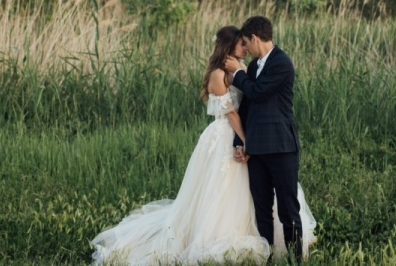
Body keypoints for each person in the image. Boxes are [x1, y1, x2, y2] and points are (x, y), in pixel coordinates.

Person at [90, 25, 315, 265]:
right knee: (227, 193)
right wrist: (245, 141)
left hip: (256, 138)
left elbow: (251, 101)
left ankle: (283, 253)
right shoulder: (221, 74)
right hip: (226, 135)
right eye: (241, 44)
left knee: (260, 197)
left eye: (246, 43)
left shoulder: (251, 68)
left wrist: (247, 136)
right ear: (230, 47)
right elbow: (233, 114)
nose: (245, 48)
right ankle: (239, 243)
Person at [224, 16, 309, 262]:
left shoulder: (282, 63)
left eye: (246, 43)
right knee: (262, 209)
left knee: (287, 209)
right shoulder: (252, 67)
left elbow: (258, 92)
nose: (245, 49)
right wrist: (239, 142)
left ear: (255, 38)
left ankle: (295, 260)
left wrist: (238, 73)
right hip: (257, 149)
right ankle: (267, 258)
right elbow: (247, 107)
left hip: (282, 147)